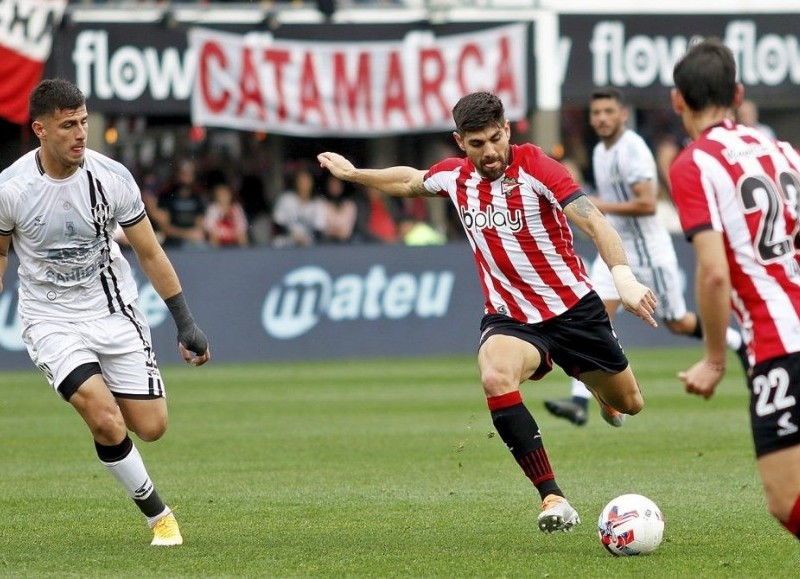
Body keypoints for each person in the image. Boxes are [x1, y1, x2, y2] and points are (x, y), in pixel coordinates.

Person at [318, 91, 658, 534]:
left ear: (508, 130)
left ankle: (598, 390)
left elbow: (595, 222)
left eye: (495, 139)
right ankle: (552, 495)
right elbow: (409, 180)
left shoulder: (538, 167)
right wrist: (354, 173)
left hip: (573, 310)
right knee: (495, 374)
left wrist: (624, 281)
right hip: (511, 318)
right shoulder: (455, 179)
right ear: (461, 142)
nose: (489, 151)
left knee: (629, 404)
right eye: (477, 144)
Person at [0, 79, 211, 546]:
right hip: (49, 316)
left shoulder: (111, 177)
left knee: (151, 427)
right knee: (104, 417)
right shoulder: (11, 188)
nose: (80, 134)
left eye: (84, 122)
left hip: (112, 308)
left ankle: (112, 419)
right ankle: (160, 517)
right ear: (40, 129)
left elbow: (151, 253)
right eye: (68, 125)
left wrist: (185, 321)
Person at [544, 87, 747, 427]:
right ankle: (584, 401)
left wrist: (596, 205)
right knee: (592, 316)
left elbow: (648, 203)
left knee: (678, 322)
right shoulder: (600, 152)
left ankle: (739, 342)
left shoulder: (633, 149)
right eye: (596, 113)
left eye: (609, 111)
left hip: (649, 254)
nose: (602, 118)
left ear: (623, 114)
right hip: (615, 253)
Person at [669, 38, 800, 541]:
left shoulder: (693, 164)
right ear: (739, 93)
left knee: (786, 496)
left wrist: (715, 359)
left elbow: (714, 273)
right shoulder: (783, 150)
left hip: (779, 343)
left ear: (677, 100)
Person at [271, 162, 326, 248]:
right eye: (301, 180)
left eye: (306, 180)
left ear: (312, 182)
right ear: (296, 182)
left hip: (310, 246)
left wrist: (305, 239)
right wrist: (292, 235)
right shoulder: (286, 200)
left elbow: (319, 231)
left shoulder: (318, 203)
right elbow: (277, 226)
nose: (303, 184)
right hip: (286, 244)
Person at [157, 159, 208, 249]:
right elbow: (165, 228)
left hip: (194, 243)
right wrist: (187, 234)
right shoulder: (166, 196)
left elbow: (200, 226)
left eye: (189, 174)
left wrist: (195, 234)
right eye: (183, 174)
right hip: (174, 243)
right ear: (177, 174)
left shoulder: (197, 197)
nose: (186, 178)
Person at [204, 182, 249, 248]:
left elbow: (242, 225)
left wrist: (237, 232)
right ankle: (215, 254)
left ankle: (245, 253)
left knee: (242, 235)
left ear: (230, 195)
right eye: (221, 195)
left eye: (226, 194)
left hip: (233, 235)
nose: (224, 197)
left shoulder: (236, 208)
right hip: (219, 236)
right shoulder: (213, 209)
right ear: (217, 196)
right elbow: (210, 226)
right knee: (213, 236)